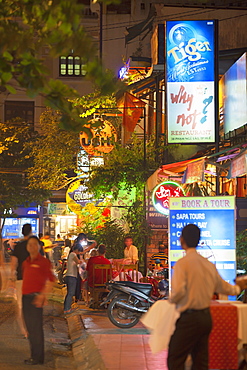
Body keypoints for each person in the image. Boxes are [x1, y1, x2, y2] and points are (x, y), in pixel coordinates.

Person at [167, 224, 247, 370]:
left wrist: (170, 300)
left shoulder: (182, 264)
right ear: (198, 240)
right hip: (205, 318)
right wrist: (239, 287)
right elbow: (226, 288)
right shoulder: (208, 265)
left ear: (182, 240)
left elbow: (177, 293)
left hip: (189, 319)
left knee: (175, 358)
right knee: (201, 360)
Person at [22, 236, 55, 365]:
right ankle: (34, 355)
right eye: (30, 245)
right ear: (27, 247)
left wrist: (42, 295)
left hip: (36, 298)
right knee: (30, 328)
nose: (32, 247)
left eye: (34, 244)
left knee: (36, 329)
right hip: (25, 298)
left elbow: (52, 280)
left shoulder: (44, 262)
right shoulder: (26, 262)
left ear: (39, 246)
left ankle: (38, 357)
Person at [10, 223, 32, 338]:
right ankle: (31, 328)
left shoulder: (18, 247)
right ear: (31, 232)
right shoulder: (34, 246)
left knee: (20, 305)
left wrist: (11, 277)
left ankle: (24, 330)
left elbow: (14, 263)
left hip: (21, 279)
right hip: (32, 279)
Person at [64, 244, 83, 314]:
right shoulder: (73, 254)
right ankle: (67, 309)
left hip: (70, 275)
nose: (79, 253)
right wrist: (81, 258)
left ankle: (67, 307)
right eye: (79, 251)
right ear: (77, 250)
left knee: (69, 293)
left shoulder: (71, 255)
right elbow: (79, 262)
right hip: (71, 276)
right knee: (71, 293)